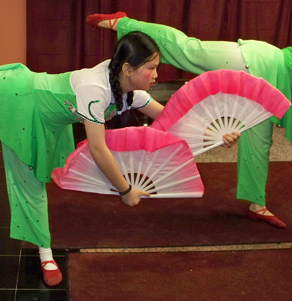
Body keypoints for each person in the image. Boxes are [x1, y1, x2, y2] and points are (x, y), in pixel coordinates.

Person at [0, 21, 239, 286]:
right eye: (151, 68)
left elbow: (169, 117)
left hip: (44, 118)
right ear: (127, 67)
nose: (156, 76)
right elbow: (99, 151)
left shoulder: (126, 87)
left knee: (31, 181)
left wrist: (212, 135)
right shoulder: (94, 90)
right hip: (14, 96)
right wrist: (125, 190)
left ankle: (44, 251)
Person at [86, 12, 290, 229]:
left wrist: (212, 135)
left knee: (260, 144)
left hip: (276, 86)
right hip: (261, 60)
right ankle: (123, 24)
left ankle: (257, 205)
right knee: (190, 50)